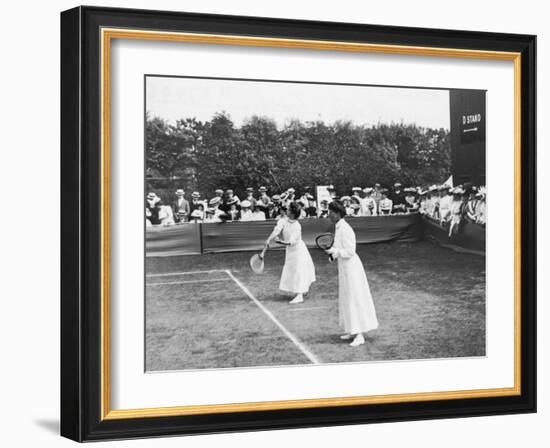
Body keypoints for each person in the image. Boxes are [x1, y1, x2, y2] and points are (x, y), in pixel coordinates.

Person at [325, 201, 379, 347]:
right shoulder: (338, 227)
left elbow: (350, 251)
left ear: (337, 213)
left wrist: (336, 252)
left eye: (330, 212)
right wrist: (333, 253)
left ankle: (360, 335)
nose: (328, 214)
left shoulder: (346, 228)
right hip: (344, 267)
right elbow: (338, 248)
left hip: (352, 268)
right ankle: (352, 330)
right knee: (347, 298)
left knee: (355, 298)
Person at [264, 202, 316, 304]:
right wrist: (268, 240)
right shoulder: (283, 220)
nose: (286, 210)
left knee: (299, 271)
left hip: (299, 251)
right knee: (292, 270)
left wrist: (280, 242)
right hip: (290, 252)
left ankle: (300, 295)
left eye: (288, 210)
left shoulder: (297, 226)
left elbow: (291, 242)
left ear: (292, 213)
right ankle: (301, 290)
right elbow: (276, 230)